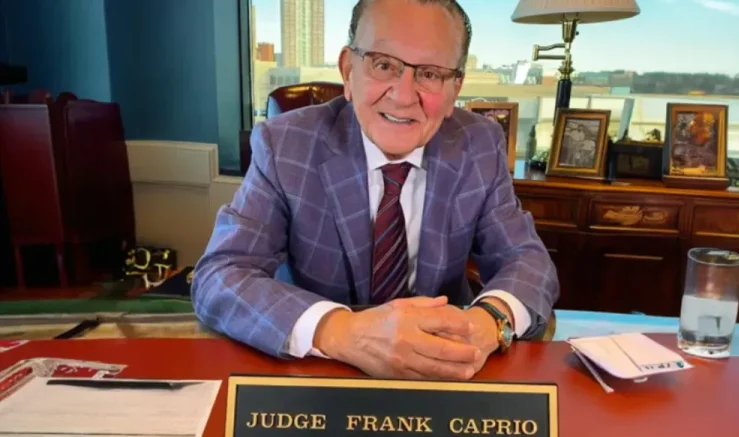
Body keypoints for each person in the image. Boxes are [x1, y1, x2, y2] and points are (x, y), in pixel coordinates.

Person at [192, 0, 559, 380]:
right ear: (348, 71)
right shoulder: (284, 145)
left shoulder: (479, 144)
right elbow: (221, 275)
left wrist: (488, 322)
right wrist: (341, 331)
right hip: (320, 371)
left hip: (447, 366)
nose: (403, 95)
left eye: (430, 73)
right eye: (383, 65)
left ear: (455, 89)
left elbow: (528, 261)